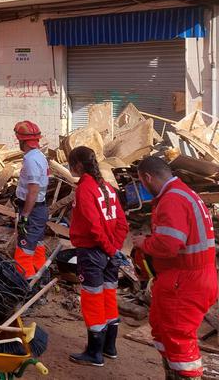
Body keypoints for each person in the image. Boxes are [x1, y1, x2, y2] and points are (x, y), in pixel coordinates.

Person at [131, 156, 217, 379]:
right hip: (185, 277)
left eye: (142, 182)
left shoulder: (172, 200)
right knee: (163, 331)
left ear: (147, 177)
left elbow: (169, 245)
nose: (143, 187)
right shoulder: (183, 194)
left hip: (185, 280)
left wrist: (144, 243)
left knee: (179, 342)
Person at [67, 146, 129, 367]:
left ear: (77, 165)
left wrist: (109, 249)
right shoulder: (108, 188)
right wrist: (115, 249)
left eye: (69, 163)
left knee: (92, 300)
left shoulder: (85, 189)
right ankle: (109, 347)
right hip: (110, 252)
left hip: (93, 252)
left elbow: (94, 227)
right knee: (109, 296)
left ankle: (95, 353)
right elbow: (122, 223)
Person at [13, 120, 49, 279]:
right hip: (39, 210)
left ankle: (27, 289)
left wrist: (25, 216)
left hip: (32, 211)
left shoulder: (31, 160)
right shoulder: (39, 156)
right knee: (37, 250)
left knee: (23, 255)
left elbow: (33, 190)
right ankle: (41, 281)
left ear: (22, 141)